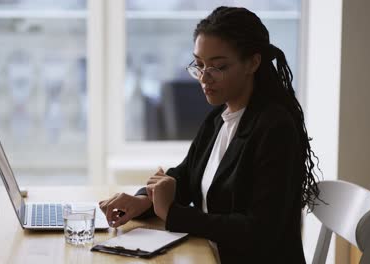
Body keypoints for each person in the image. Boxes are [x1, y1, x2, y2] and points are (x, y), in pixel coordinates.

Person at [99, 6, 320, 264]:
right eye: (199, 64)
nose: (204, 78)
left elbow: (259, 231)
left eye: (218, 66)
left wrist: (172, 213)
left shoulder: (275, 129)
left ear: (253, 63)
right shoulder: (219, 118)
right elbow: (184, 176)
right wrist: (142, 200)